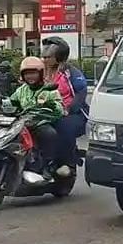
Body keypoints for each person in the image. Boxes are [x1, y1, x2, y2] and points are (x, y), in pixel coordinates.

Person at [7, 56, 64, 175]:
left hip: (41, 121)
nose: (30, 76)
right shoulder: (21, 90)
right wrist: (3, 102)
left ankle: (48, 166)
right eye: (27, 73)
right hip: (23, 122)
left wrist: (52, 104)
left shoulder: (49, 89)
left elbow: (60, 109)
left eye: (33, 73)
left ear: (41, 73)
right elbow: (12, 101)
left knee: (49, 134)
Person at [41, 37, 88, 178]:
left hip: (72, 114)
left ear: (59, 56)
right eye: (43, 56)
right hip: (45, 113)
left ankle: (66, 163)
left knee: (63, 126)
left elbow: (81, 92)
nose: (45, 60)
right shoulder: (40, 71)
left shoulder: (70, 72)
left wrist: (68, 109)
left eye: (48, 57)